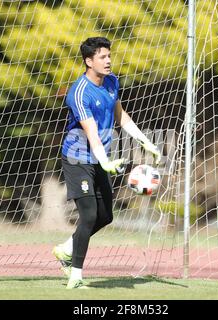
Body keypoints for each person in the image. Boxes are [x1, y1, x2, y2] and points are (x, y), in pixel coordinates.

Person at [53, 37, 161, 289]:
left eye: (109, 55)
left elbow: (120, 115)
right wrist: (106, 162)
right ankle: (76, 275)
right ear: (89, 61)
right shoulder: (78, 93)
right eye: (102, 57)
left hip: (101, 159)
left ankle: (66, 249)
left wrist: (145, 141)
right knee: (89, 215)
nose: (108, 60)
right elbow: (90, 133)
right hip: (77, 158)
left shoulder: (112, 81)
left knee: (106, 216)